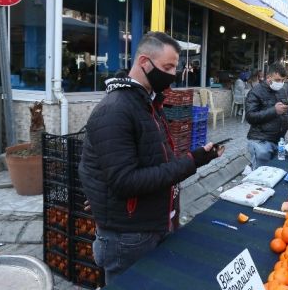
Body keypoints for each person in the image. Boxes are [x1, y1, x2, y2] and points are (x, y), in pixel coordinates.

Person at [78, 32, 223, 284]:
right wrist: (191, 162)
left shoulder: (147, 103)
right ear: (144, 62)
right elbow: (125, 181)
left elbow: (152, 160)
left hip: (149, 226)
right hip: (128, 237)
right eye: (167, 67)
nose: (173, 74)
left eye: (175, 67)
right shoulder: (115, 111)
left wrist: (198, 157)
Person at [245, 62, 288, 169]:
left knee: (277, 171)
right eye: (278, 80)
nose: (281, 83)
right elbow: (250, 117)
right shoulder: (255, 92)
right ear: (268, 77)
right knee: (262, 174)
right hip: (261, 141)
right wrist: (274, 111)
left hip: (278, 141)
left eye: (283, 80)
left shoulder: (282, 91)